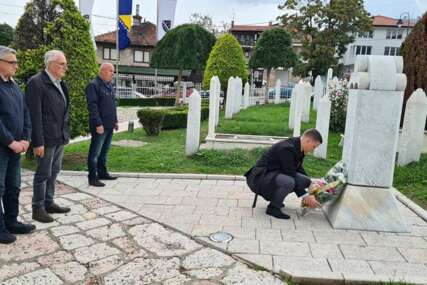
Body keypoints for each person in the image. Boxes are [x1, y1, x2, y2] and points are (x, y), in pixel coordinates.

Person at [26, 50, 71, 223]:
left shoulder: (60, 83)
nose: (65, 67)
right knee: (43, 173)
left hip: (59, 136)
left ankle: (48, 201)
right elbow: (34, 115)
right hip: (45, 138)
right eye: (62, 64)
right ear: (50, 64)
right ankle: (37, 208)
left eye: (65, 64)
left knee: (54, 171)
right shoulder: (36, 83)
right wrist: (38, 142)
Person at [245, 128, 322, 219]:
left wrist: (311, 184)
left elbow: (297, 167)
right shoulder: (287, 148)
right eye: (313, 147)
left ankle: (276, 199)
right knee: (289, 182)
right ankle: (273, 208)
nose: (313, 150)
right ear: (307, 140)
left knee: (305, 181)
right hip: (260, 178)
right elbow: (290, 173)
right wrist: (305, 196)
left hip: (273, 174)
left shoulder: (298, 145)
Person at [0, 46, 36, 244]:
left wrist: (26, 138)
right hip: (3, 147)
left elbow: (25, 114)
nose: (16, 65)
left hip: (16, 146)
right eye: (11, 62)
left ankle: (11, 221)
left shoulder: (14, 86)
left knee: (13, 186)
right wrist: (10, 142)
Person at [85, 63, 118, 187]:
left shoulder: (109, 85)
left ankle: (103, 173)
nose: (113, 74)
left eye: (113, 71)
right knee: (95, 153)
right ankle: (93, 177)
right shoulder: (93, 85)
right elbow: (92, 106)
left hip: (109, 125)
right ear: (103, 71)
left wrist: (115, 121)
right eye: (111, 71)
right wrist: (98, 123)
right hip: (100, 126)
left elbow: (112, 105)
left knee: (104, 151)